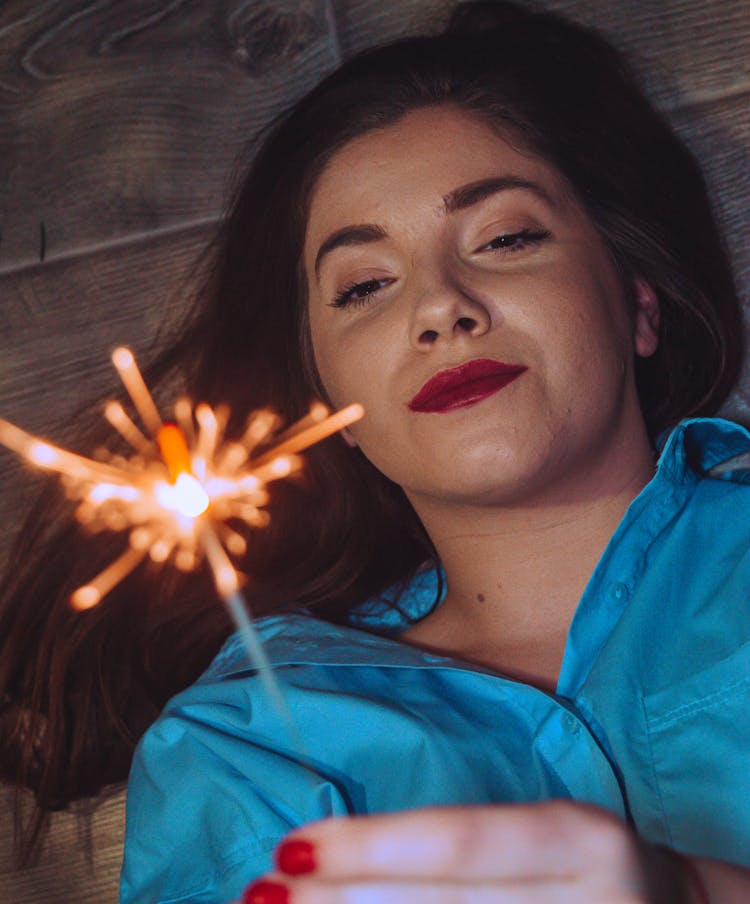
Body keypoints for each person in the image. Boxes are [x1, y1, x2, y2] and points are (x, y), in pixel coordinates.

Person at [2, 1, 749, 901]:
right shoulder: (247, 746)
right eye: (364, 287)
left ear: (639, 305)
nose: (440, 307)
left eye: (506, 237)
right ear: (332, 408)